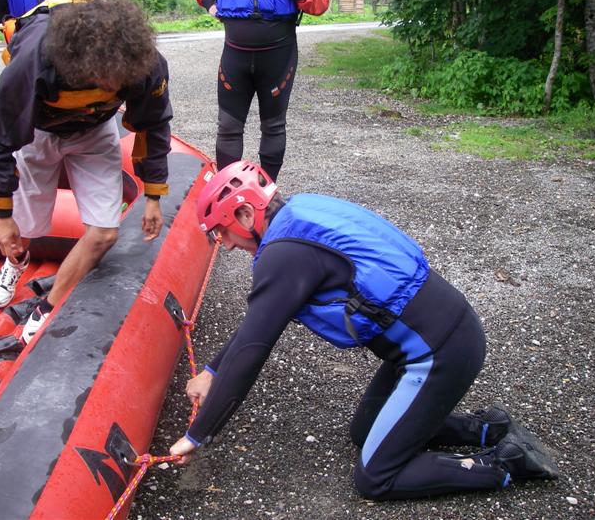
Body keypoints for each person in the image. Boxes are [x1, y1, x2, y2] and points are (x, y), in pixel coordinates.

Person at [169, 161, 559, 499]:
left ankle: (507, 463)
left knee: (376, 477)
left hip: (439, 354)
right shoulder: (297, 216)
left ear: (244, 215)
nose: (225, 246)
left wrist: (198, 435)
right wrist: (212, 372)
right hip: (435, 338)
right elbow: (260, 322)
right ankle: (488, 428)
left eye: (220, 232)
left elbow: (255, 348)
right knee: (364, 432)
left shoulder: (284, 255)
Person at [0, 0, 172, 344]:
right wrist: (2, 213)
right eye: (101, 81)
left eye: (117, 83)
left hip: (95, 132)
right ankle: (14, 265)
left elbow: (154, 125)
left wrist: (154, 195)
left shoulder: (145, 63)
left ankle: (47, 307)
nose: (111, 88)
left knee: (104, 234)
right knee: (24, 227)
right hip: (38, 132)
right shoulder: (36, 58)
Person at [193, 0, 304, 181]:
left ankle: (266, 194)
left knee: (273, 126)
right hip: (235, 49)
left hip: (280, 52)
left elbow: (319, 3)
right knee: (228, 127)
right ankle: (227, 194)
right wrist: (208, 1)